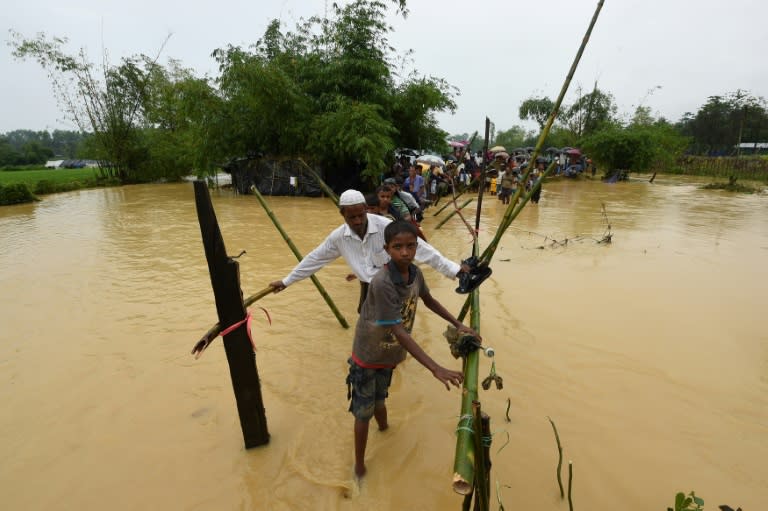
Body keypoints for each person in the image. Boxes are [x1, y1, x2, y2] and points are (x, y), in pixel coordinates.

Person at [347, 220, 480, 478]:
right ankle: (360, 465)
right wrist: (436, 368)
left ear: (417, 247)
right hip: (368, 353)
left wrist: (459, 324)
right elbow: (398, 330)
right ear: (387, 249)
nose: (405, 252)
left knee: (381, 398)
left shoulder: (415, 274)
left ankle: (385, 432)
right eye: (398, 247)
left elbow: (429, 300)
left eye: (410, 246)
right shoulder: (383, 282)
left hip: (389, 353)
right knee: (362, 413)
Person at [269, 190, 468, 312]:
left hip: (394, 285)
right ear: (342, 214)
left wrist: (454, 270)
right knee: (367, 321)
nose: (357, 221)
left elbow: (424, 251)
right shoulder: (338, 237)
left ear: (366, 208)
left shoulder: (385, 227)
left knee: (395, 330)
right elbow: (315, 259)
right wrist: (287, 281)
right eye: (351, 217)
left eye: (360, 215)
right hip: (368, 286)